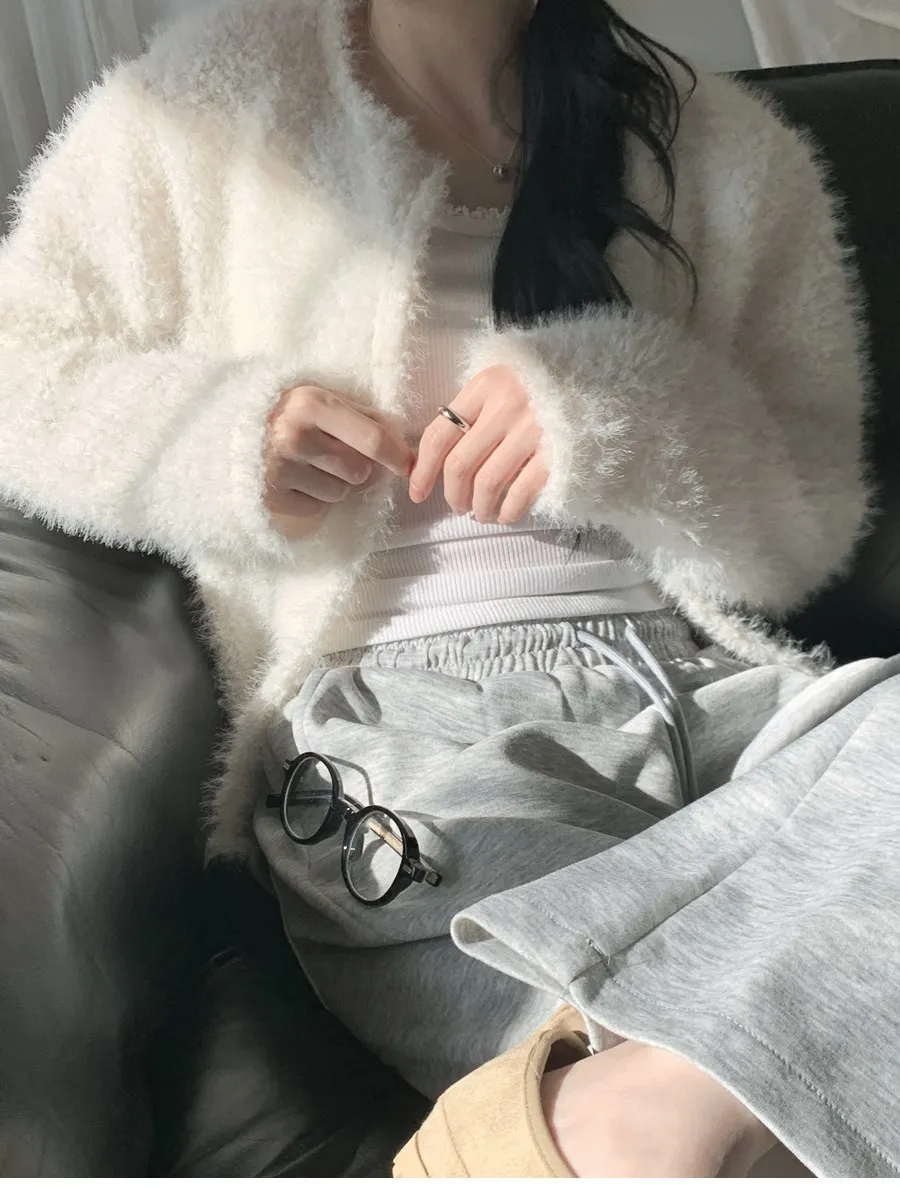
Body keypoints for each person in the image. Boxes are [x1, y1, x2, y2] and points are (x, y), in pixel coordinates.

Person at [1, 0, 898, 1176]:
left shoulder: (724, 147)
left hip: (719, 697)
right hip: (412, 725)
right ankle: (667, 1101)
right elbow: (24, 368)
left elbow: (806, 521)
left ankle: (628, 1116)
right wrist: (226, 434)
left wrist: (617, 412)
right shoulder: (196, 109)